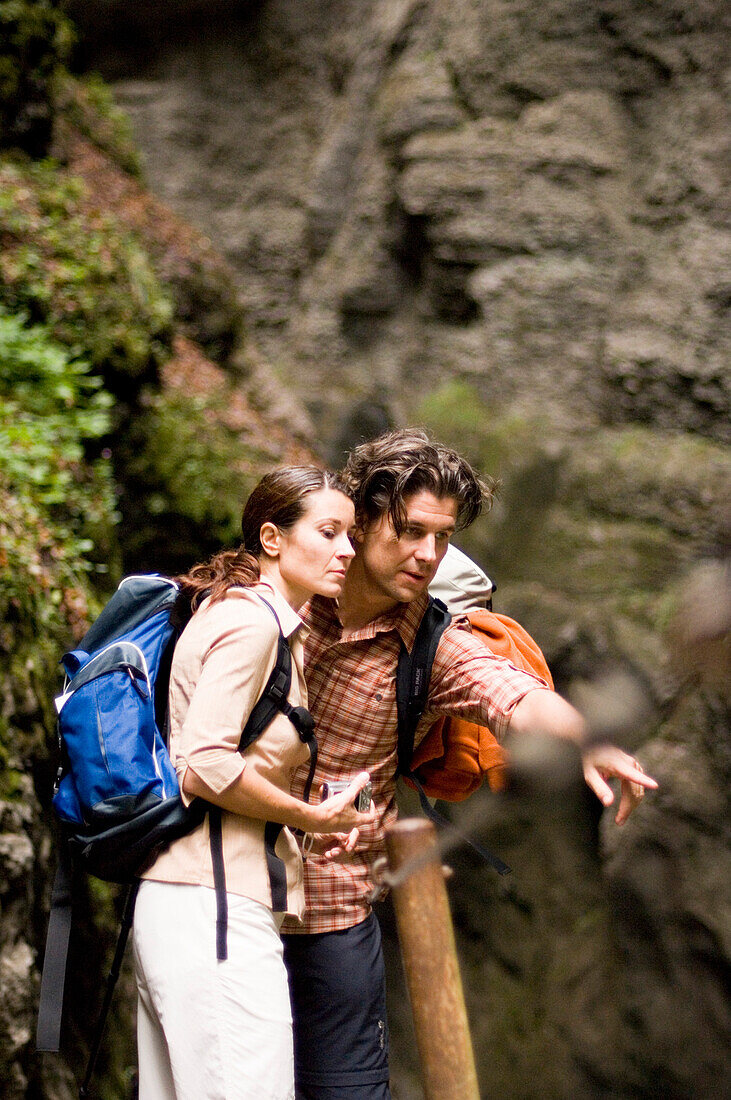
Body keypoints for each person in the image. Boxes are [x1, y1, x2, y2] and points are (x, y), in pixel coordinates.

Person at [281, 430, 658, 1100]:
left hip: (333, 908)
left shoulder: (433, 647)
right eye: (409, 530)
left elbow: (509, 693)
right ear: (360, 520)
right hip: (228, 892)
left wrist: (586, 740)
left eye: (442, 537)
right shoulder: (276, 599)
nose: (427, 554)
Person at [132, 466, 377, 1100]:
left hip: (190, 905)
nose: (346, 550)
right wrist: (312, 815)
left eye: (349, 534)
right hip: (212, 912)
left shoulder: (256, 622)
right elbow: (204, 762)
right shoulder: (253, 625)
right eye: (327, 532)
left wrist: (306, 818)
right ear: (271, 538)